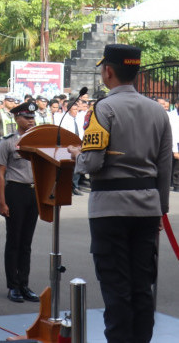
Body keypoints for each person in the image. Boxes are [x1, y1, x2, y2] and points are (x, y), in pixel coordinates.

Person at [68, 44, 172, 343]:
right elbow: (164, 167)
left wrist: (77, 154)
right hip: (148, 209)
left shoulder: (104, 108)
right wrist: (160, 209)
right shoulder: (157, 110)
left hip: (110, 210)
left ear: (108, 71)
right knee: (142, 288)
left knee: (116, 289)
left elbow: (93, 161)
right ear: (136, 72)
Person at [0, 100, 40, 304]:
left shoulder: (39, 140)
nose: (31, 121)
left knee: (27, 243)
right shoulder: (8, 142)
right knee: (14, 240)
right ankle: (12, 286)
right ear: (16, 118)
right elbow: (0, 173)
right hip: (15, 191)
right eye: (26, 117)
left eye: (32, 117)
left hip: (33, 192)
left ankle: (24, 283)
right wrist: (2, 202)